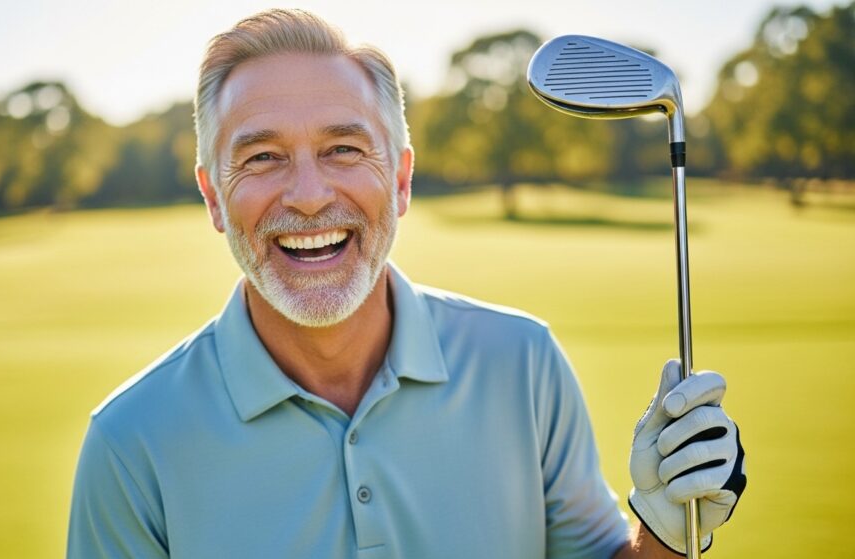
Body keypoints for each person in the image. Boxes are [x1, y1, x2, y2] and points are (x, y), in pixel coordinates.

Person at [67, 9, 745, 559]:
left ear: (399, 179)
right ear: (214, 197)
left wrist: (661, 533)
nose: (307, 196)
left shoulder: (523, 361)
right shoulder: (130, 442)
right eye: (263, 157)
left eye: (343, 149)